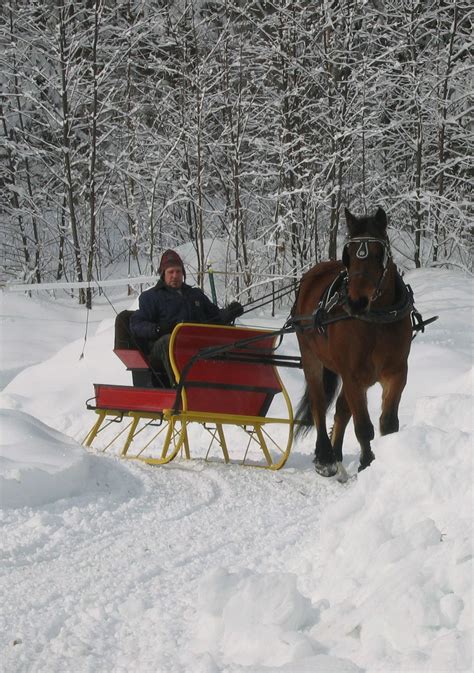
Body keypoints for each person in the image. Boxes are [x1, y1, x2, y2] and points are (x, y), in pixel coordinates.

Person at [129, 249, 243, 386]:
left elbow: (215, 317)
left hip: (194, 345)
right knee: (170, 341)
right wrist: (158, 329)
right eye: (171, 272)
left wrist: (230, 312)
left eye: (178, 271)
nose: (175, 276)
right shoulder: (151, 297)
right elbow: (136, 324)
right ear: (163, 274)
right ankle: (180, 387)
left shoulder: (195, 295)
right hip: (160, 351)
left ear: (183, 273)